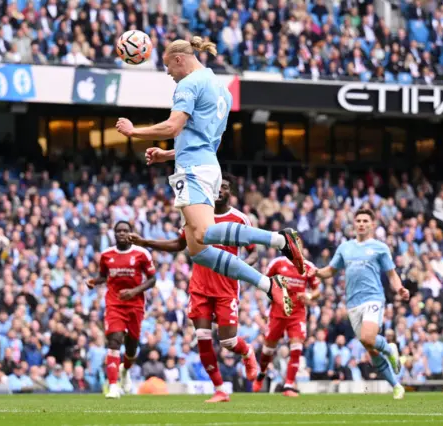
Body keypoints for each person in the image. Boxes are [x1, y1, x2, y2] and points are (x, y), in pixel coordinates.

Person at [115, 36, 304, 317]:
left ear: (180, 59)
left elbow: (172, 126)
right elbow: (205, 140)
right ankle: (268, 284)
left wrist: (134, 132)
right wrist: (167, 155)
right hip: (203, 164)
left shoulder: (189, 84)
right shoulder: (222, 90)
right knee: (199, 251)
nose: (168, 73)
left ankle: (279, 240)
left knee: (203, 233)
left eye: (168, 66)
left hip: (194, 169)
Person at [129, 172, 259, 403]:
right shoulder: (196, 216)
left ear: (231, 192)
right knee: (202, 337)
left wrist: (239, 266)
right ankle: (219, 389)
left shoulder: (240, 219)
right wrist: (146, 242)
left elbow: (254, 253)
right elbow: (179, 244)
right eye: (216, 186)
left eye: (224, 187)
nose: (219, 190)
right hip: (199, 286)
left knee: (228, 341)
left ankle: (247, 352)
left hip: (226, 288)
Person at [306, 208, 410, 400]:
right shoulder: (345, 248)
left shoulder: (380, 247)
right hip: (352, 303)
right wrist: (317, 272)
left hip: (373, 298)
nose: (361, 223)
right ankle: (396, 385)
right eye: (358, 220)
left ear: (372, 224)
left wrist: (400, 289)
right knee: (369, 347)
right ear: (354, 224)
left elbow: (391, 274)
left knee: (368, 337)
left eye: (365, 221)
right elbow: (331, 270)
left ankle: (389, 348)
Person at [87, 221, 156, 399]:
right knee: (114, 341)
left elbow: (152, 279)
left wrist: (134, 291)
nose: (122, 234)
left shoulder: (142, 253)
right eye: (119, 231)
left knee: (131, 347)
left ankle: (125, 371)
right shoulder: (106, 255)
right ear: (114, 234)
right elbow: (104, 276)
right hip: (114, 303)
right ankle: (113, 386)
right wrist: (94, 281)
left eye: (125, 231)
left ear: (131, 233)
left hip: (135, 305)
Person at [253, 255, 321, 397]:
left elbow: (317, 290)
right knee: (268, 349)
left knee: (296, 347)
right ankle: (261, 373)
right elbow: (263, 281)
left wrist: (308, 295)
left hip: (297, 314)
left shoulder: (308, 266)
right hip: (277, 313)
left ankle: (288, 385)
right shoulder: (277, 263)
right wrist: (266, 300)